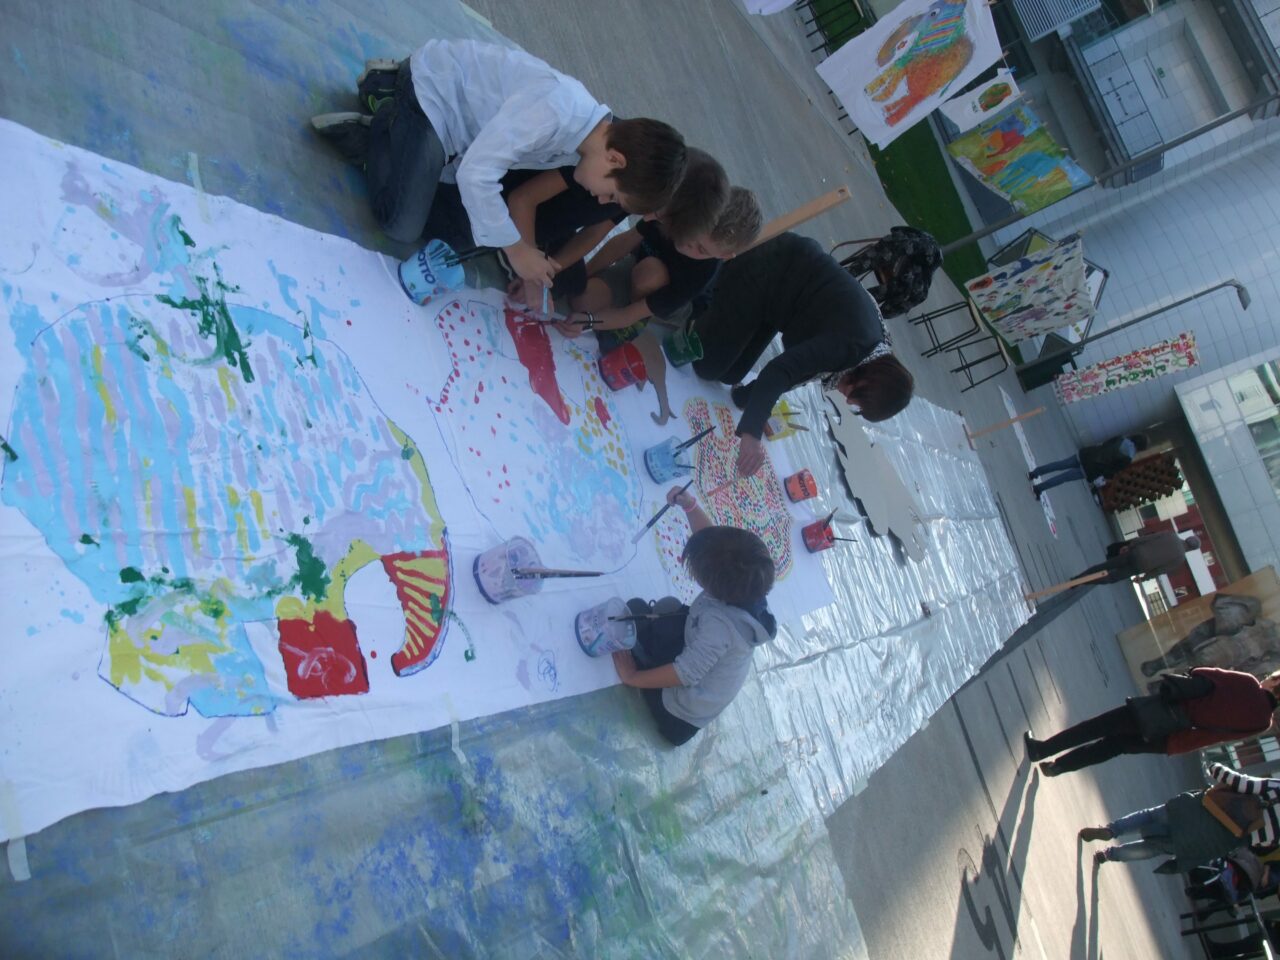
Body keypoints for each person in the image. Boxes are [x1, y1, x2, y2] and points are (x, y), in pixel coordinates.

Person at [310, 40, 687, 286]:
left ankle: (397, 131)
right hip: (431, 92)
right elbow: (477, 173)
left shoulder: (582, 141)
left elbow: (483, 164)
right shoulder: (557, 111)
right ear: (615, 159)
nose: (601, 201)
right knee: (401, 225)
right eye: (612, 195)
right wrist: (517, 249)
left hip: (458, 135)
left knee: (452, 225)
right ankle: (381, 127)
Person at [691, 232, 915, 478]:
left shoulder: (873, 351)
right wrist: (751, 431)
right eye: (859, 399)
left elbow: (802, 370)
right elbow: (781, 370)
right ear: (869, 380)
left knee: (729, 375)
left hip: (779, 305)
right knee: (706, 366)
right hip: (770, 267)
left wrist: (746, 397)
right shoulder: (851, 346)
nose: (850, 402)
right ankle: (702, 295)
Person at [611, 485, 777, 746]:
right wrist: (690, 506)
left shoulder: (720, 628)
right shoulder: (746, 584)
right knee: (658, 609)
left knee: (632, 618)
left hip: (679, 711)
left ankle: (644, 667)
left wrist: (632, 677)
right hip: (698, 643)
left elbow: (685, 673)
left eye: (697, 568)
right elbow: (714, 546)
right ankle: (652, 649)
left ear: (710, 583)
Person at [556, 151, 760, 348]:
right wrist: (577, 276)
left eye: (701, 249)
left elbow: (630, 314)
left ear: (724, 256)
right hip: (639, 265)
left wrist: (591, 322)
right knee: (580, 300)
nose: (688, 243)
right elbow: (622, 244)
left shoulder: (700, 273)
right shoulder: (677, 215)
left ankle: (637, 324)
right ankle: (621, 300)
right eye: (693, 232)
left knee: (649, 274)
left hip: (672, 297)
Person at [1024, 666, 1279, 776]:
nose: (1267, 677)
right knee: (1113, 747)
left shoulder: (1249, 683)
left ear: (1276, 681)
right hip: (1175, 739)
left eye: (1272, 676)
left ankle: (1043, 749)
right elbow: (1221, 734)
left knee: (1097, 727)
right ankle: (1059, 767)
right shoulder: (1262, 722)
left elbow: (1203, 674)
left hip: (1163, 711)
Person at [1081, 762, 1280, 869]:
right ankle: (1109, 855)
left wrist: (1215, 768)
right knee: (1155, 848)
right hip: (1209, 842)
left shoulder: (1277, 788)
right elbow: (1257, 845)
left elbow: (1239, 782)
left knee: (1150, 816)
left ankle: (1111, 830)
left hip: (1197, 810)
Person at [1029, 433, 1150, 499]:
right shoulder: (1128, 458)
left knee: (1060, 464)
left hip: (1088, 454)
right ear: (1141, 448)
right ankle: (1038, 488)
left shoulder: (1121, 438)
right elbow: (1112, 470)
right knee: (1063, 478)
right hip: (1091, 468)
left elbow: (1105, 444)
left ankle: (1034, 473)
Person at [1074, 531, 1199, 584]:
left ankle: (1077, 579)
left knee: (1104, 566)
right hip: (1140, 567)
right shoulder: (1180, 558)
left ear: (1187, 538)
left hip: (1134, 553)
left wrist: (1130, 545)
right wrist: (1143, 578)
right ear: (1191, 549)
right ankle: (1082, 582)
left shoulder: (1170, 535)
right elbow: (1160, 570)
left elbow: (1146, 538)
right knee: (1111, 577)